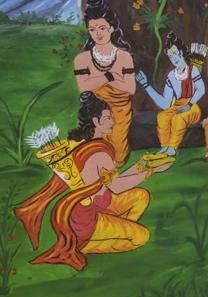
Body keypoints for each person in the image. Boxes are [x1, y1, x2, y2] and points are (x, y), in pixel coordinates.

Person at [15, 92, 172, 272]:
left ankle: (118, 228)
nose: (112, 121)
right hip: (88, 218)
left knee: (141, 196)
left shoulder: (90, 144)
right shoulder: (99, 152)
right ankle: (84, 246)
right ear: (96, 122)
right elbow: (117, 186)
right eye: (107, 118)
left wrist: (141, 165)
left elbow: (114, 181)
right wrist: (151, 171)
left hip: (100, 203)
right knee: (142, 236)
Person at [73, 0, 136, 167]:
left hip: (121, 111)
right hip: (97, 111)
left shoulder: (124, 57)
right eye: (92, 29)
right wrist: (111, 76)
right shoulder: (82, 59)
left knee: (118, 156)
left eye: (102, 27)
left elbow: (130, 88)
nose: (98, 34)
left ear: (112, 28)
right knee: (96, 154)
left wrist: (97, 79)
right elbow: (83, 86)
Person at [136, 31, 206, 156]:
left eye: (175, 53)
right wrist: (146, 85)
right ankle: (165, 146)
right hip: (177, 105)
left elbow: (201, 89)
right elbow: (165, 103)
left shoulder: (192, 70)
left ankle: (172, 148)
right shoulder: (171, 76)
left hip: (193, 106)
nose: (174, 58)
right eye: (170, 56)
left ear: (181, 52)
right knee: (162, 117)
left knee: (178, 118)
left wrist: (189, 104)